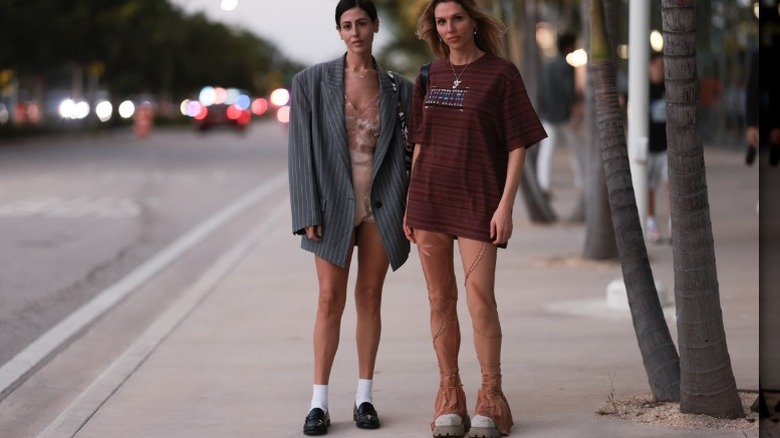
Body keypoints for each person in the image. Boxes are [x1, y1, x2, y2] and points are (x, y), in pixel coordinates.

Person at [404, 1, 546, 437]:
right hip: (429, 199)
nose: (450, 28)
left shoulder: (501, 74)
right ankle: (450, 393)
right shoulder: (429, 75)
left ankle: (492, 396)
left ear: (473, 21)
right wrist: (411, 200)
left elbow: (518, 144)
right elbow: (421, 144)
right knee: (439, 300)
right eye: (442, 22)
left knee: (480, 299)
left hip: (479, 201)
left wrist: (505, 205)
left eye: (457, 19)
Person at [287, 0, 413, 434]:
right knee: (328, 300)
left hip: (379, 206)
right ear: (338, 31)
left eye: (362, 23)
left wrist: (409, 207)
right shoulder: (311, 82)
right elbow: (300, 152)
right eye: (347, 25)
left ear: (376, 26)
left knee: (370, 296)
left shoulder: (400, 87)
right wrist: (306, 210)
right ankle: (318, 403)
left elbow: (410, 152)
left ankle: (364, 398)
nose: (355, 32)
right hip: (330, 207)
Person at [535, 31, 582, 201]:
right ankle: (581, 183)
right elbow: (568, 91)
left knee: (546, 152)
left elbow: (541, 90)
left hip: (548, 115)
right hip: (564, 116)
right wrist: (575, 109)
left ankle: (544, 185)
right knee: (575, 150)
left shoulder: (548, 66)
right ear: (568, 46)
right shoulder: (567, 67)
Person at [645, 51, 669, 243]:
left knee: (671, 184)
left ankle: (673, 223)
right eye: (656, 65)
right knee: (650, 187)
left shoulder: (670, 88)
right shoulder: (642, 89)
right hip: (648, 147)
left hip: (667, 147)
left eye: (662, 66)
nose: (659, 70)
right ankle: (651, 220)